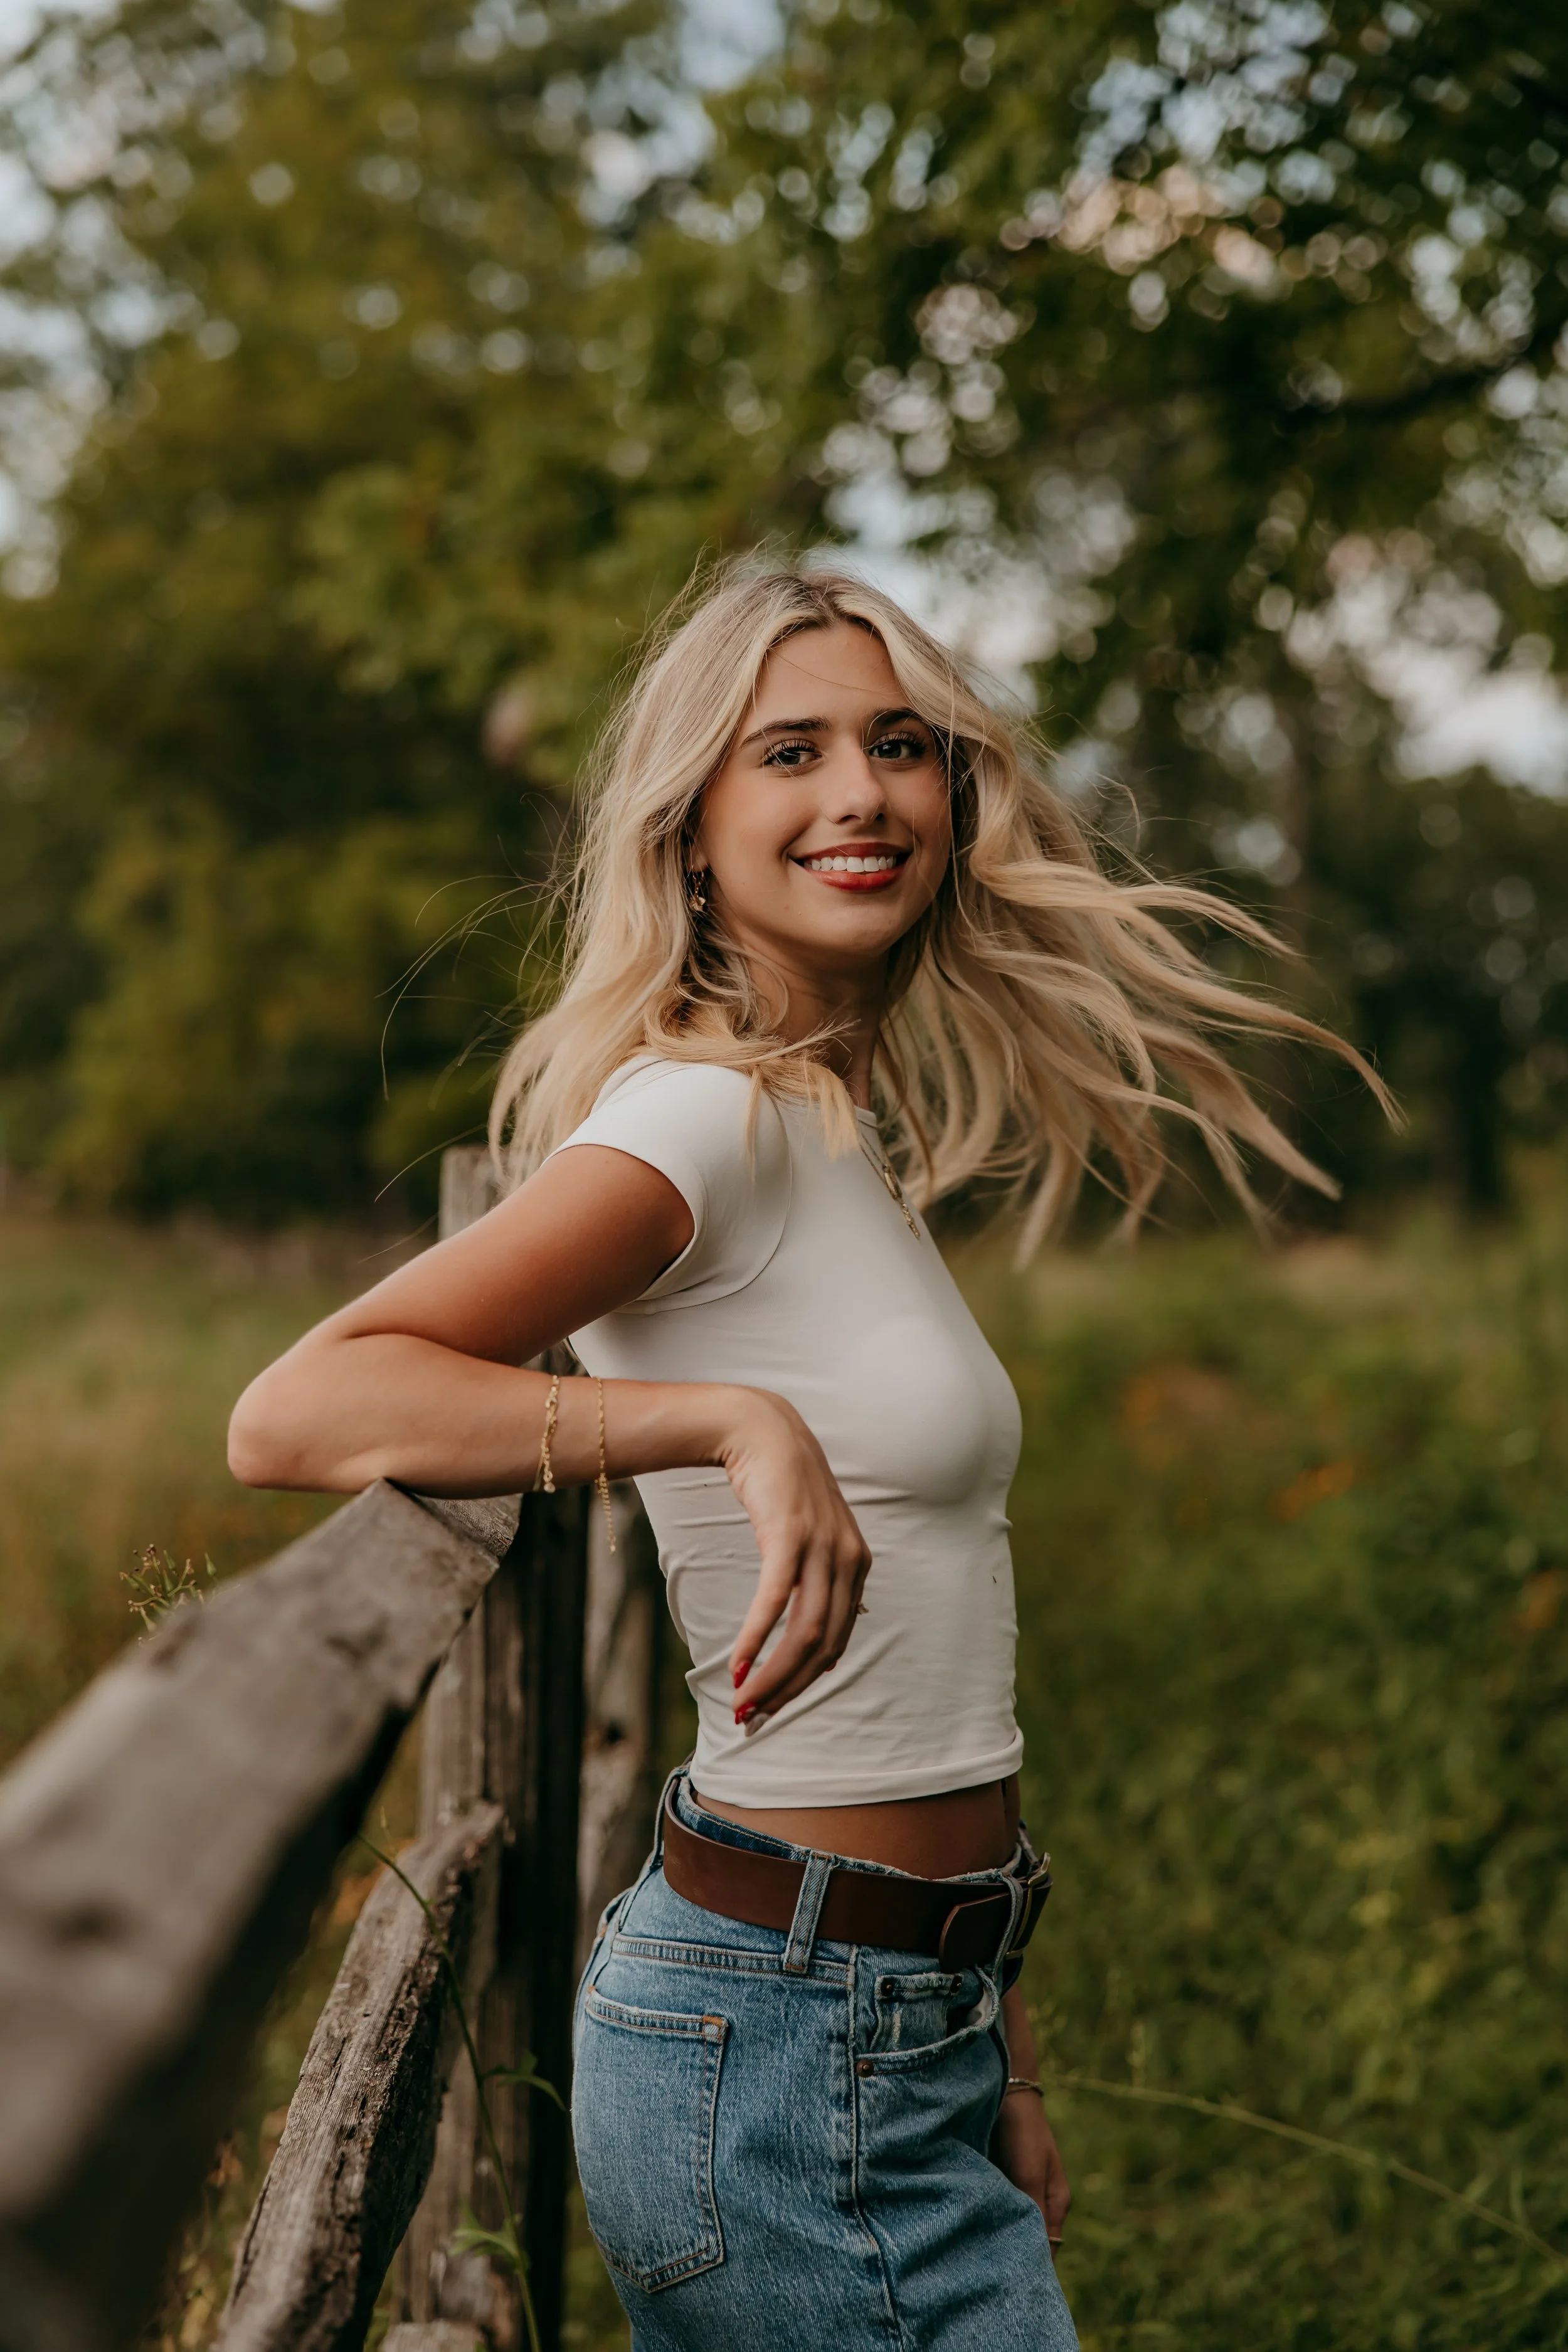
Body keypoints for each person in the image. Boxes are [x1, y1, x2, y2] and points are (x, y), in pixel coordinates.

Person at [229, 561, 1380, 2349]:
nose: (863, 791)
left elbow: (928, 1663)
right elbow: (292, 1407)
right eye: (792, 751)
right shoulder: (701, 1114)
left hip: (884, 2022)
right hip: (774, 2055)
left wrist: (994, 2034)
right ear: (692, 829)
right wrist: (714, 1419)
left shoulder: (831, 1121)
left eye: (900, 744)